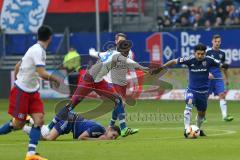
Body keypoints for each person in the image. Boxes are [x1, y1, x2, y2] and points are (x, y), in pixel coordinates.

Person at [48, 40, 149, 137]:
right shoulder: (118, 56)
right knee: (71, 105)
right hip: (89, 80)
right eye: (126, 51)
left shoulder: (111, 52)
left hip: (98, 81)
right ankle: (48, 128)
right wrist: (144, 68)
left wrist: (92, 52)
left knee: (118, 100)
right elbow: (131, 63)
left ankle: (123, 129)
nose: (127, 53)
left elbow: (99, 54)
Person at [0, 25, 60, 160]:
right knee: (17, 124)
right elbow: (41, 72)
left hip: (32, 91)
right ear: (50, 38)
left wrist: (16, 77)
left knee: (39, 120)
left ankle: (31, 155)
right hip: (22, 92)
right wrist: (54, 78)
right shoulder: (38, 51)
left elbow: (17, 65)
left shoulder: (34, 48)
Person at [151, 43, 228, 137]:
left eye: (202, 54)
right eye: (198, 54)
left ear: (205, 54)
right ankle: (186, 129)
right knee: (189, 104)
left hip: (203, 93)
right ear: (194, 53)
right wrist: (161, 68)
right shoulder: (189, 59)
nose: (200, 56)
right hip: (192, 90)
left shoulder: (209, 60)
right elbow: (174, 61)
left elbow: (220, 64)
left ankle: (198, 129)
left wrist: (224, 66)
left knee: (202, 114)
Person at [89, 33, 139, 128]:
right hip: (110, 81)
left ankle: (111, 125)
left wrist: (135, 81)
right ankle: (121, 127)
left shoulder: (130, 53)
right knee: (120, 102)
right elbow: (100, 54)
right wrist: (92, 52)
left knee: (120, 105)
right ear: (116, 42)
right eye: (120, 41)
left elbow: (132, 67)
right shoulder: (111, 52)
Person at [23, 112, 120, 141]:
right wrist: (98, 140)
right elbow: (81, 138)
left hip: (70, 122)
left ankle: (28, 120)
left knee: (46, 130)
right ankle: (25, 128)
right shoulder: (99, 130)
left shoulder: (101, 131)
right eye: (114, 135)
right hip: (69, 120)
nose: (113, 138)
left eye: (115, 137)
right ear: (109, 129)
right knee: (48, 138)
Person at [207, 35, 233, 122]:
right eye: (216, 41)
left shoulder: (222, 53)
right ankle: (201, 116)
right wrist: (208, 73)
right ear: (212, 41)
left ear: (220, 42)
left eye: (219, 41)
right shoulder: (207, 52)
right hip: (208, 78)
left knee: (222, 95)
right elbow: (203, 65)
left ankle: (225, 116)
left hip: (218, 78)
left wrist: (226, 78)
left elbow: (223, 67)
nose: (217, 43)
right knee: (205, 97)